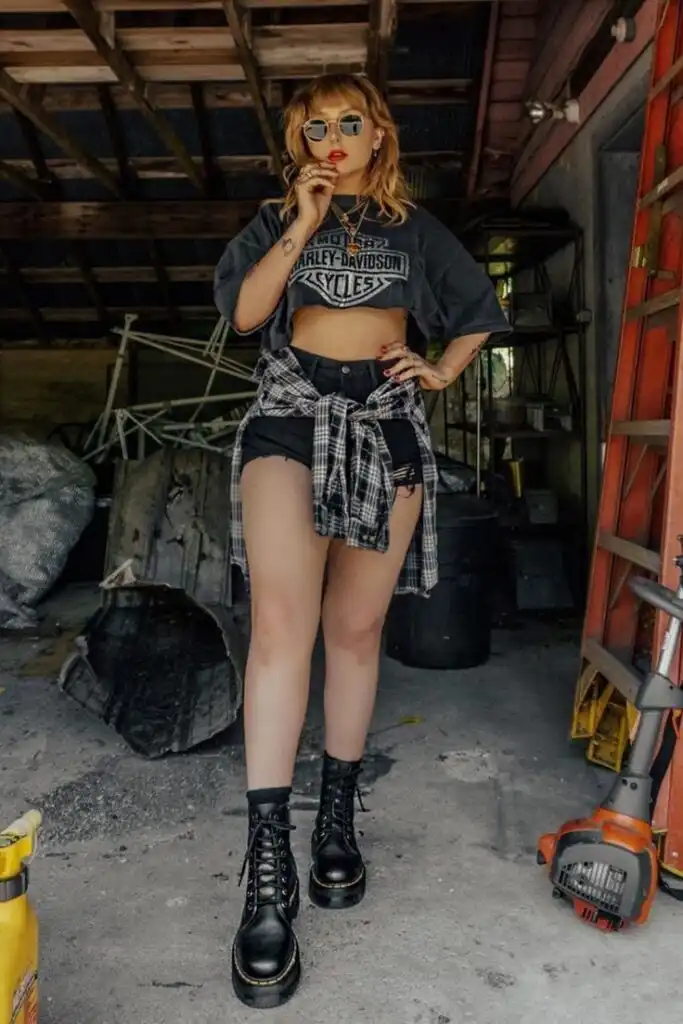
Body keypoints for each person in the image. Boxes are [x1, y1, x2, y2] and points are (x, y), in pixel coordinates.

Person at [214, 72, 509, 1009]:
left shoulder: (415, 233)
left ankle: (334, 822)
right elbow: (245, 316)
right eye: (315, 127)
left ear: (377, 136)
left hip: (384, 429)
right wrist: (298, 223)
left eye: (351, 124)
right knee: (279, 636)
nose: (334, 138)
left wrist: (438, 370)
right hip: (288, 424)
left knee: (352, 633)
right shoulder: (275, 220)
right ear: (297, 143)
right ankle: (268, 873)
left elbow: (478, 310)